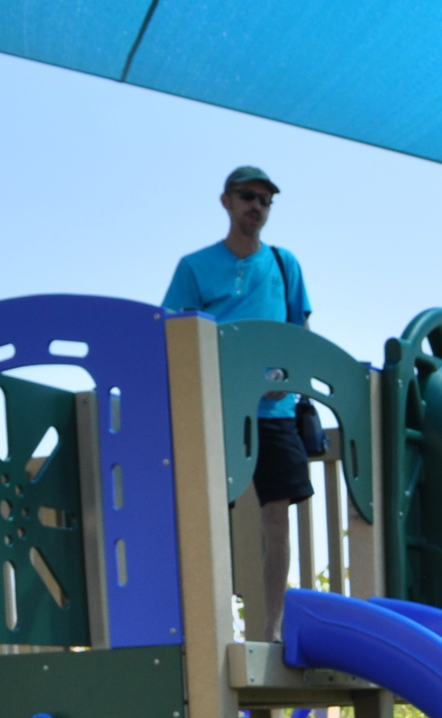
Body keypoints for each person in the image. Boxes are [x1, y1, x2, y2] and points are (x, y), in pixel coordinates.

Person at [162, 165, 315, 642]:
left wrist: (286, 378)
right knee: (208, 515)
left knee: (277, 516)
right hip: (215, 411)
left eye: (266, 200)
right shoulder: (195, 266)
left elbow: (300, 336)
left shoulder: (285, 265)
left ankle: (271, 628)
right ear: (226, 201)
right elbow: (174, 335)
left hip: (274, 412)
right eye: (248, 196)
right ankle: (215, 626)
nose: (257, 206)